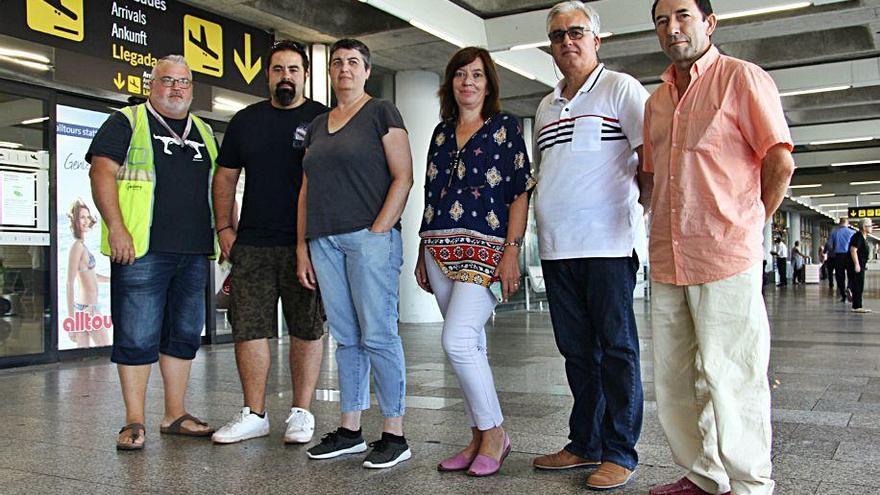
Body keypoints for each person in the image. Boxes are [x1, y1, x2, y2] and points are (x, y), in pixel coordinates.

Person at [644, 1, 795, 494]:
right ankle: (703, 475)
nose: (673, 28)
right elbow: (652, 178)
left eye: (683, 16)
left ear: (708, 23)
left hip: (725, 254)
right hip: (669, 258)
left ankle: (750, 484)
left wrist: (752, 224)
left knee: (733, 377)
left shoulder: (741, 79)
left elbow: (779, 161)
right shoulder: (656, 102)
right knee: (676, 382)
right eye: (663, 20)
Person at [529, 2, 651, 491]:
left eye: (576, 32)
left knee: (617, 350)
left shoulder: (622, 88)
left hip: (607, 246)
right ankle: (585, 442)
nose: (567, 42)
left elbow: (651, 159)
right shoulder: (544, 104)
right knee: (577, 352)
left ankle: (620, 449)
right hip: (557, 249)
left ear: (597, 39)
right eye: (557, 36)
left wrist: (644, 217)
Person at [414, 47, 535, 477]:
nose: (468, 82)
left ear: (489, 84)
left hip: (485, 250)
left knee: (458, 340)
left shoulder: (504, 128)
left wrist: (512, 251)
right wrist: (420, 252)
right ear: (451, 83)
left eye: (477, 75)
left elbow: (519, 192)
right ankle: (478, 436)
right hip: (439, 248)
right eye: (461, 75)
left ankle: (495, 432)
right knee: (473, 346)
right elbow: (432, 198)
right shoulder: (441, 133)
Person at [88, 55, 218, 450]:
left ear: (192, 88)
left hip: (194, 251)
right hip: (142, 249)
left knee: (182, 335)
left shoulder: (206, 132)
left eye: (183, 82)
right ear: (152, 85)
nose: (176, 88)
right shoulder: (127, 121)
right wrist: (117, 228)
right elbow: (101, 172)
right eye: (167, 81)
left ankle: (174, 414)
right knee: (137, 333)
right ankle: (133, 421)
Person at [296, 38, 414, 469]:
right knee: (346, 338)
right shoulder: (316, 125)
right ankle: (349, 429)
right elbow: (306, 188)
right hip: (323, 241)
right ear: (329, 72)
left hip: (368, 238)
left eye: (352, 62)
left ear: (366, 70)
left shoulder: (382, 112)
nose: (344, 68)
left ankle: (394, 434)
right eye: (337, 62)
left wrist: (378, 231)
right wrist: (302, 245)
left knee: (378, 334)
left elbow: (404, 177)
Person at [210, 41, 328, 445]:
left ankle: (301, 412)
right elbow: (225, 177)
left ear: (305, 75)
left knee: (307, 327)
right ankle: (254, 413)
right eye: (278, 70)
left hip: (306, 245)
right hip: (253, 243)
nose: (285, 77)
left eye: (293, 69)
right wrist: (225, 229)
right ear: (268, 75)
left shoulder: (321, 118)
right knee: (249, 327)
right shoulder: (245, 120)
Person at [65, 199, 110, 348]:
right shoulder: (77, 247)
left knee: (83, 357)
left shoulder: (82, 246)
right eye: (81, 217)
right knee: (104, 351)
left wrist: (111, 279)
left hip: (85, 309)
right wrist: (71, 319)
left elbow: (91, 276)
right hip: (88, 310)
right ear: (74, 220)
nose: (86, 220)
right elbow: (69, 283)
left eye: (87, 216)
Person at [848, 218, 873, 313]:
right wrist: (857, 264)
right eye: (870, 226)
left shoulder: (862, 237)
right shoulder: (858, 236)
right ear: (864, 227)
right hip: (856, 265)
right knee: (858, 285)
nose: (871, 228)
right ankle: (857, 306)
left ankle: (857, 304)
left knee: (859, 284)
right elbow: (853, 250)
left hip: (861, 265)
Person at [829, 217, 855, 302]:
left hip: (838, 256)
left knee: (840, 276)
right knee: (851, 274)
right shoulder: (852, 232)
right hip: (849, 256)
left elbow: (830, 246)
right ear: (847, 223)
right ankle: (849, 287)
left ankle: (843, 295)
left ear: (839, 223)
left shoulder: (834, 232)